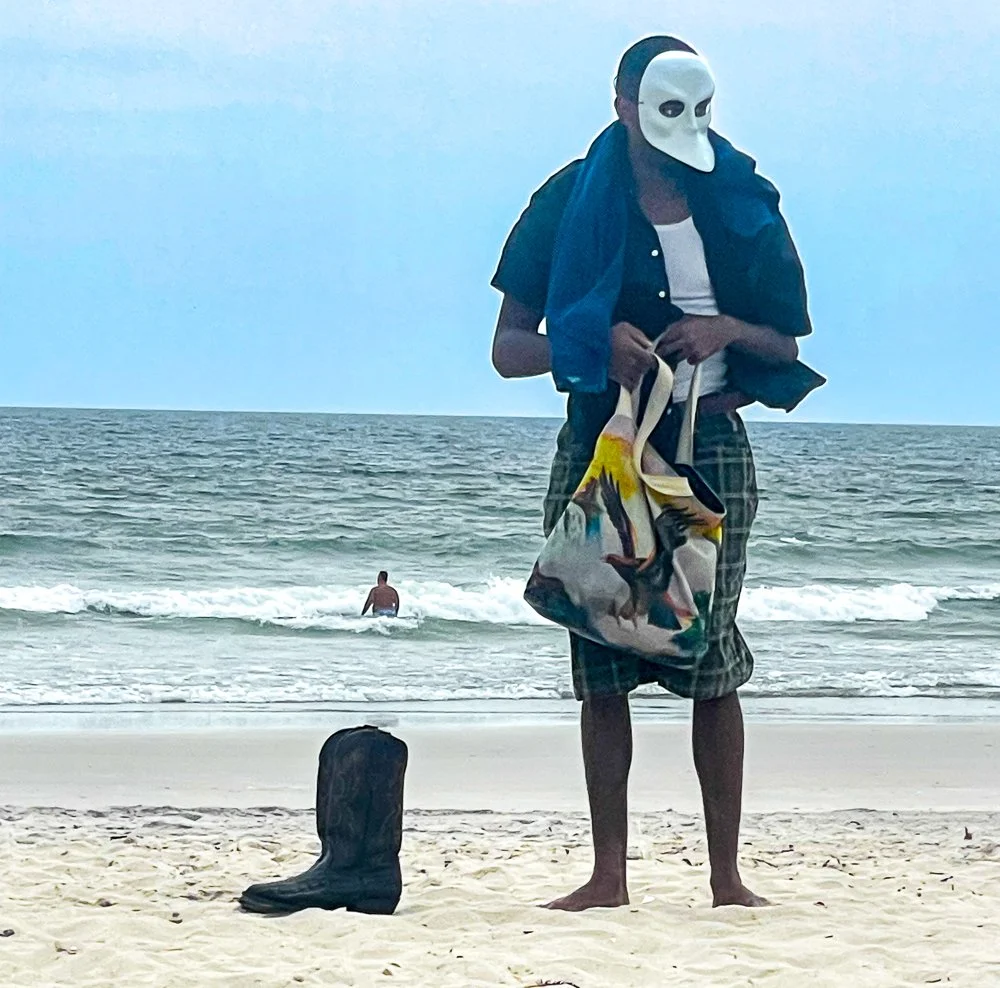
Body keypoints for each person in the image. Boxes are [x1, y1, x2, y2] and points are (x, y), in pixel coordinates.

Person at [490, 36, 823, 911]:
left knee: (710, 660)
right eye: (660, 109)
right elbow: (507, 350)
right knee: (601, 651)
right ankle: (609, 877)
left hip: (711, 445)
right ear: (622, 104)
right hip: (605, 445)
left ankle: (726, 879)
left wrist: (723, 334)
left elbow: (786, 342)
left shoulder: (740, 200)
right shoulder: (567, 201)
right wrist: (593, 341)